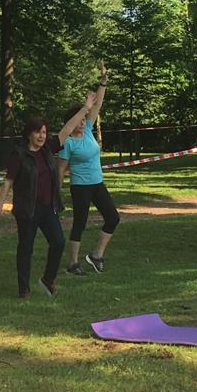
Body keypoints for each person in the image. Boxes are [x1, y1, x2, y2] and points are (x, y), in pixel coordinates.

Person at [0, 112, 74, 298]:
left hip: (47, 208)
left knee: (58, 242)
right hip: (27, 210)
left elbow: (68, 129)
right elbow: (8, 182)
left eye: (44, 132)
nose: (42, 136)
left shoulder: (47, 150)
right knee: (26, 248)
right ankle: (24, 288)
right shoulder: (19, 155)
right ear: (29, 134)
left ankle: (48, 279)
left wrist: (86, 107)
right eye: (38, 132)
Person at [57, 63, 120, 275]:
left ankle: (96, 255)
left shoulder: (89, 131)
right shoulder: (68, 143)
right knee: (80, 223)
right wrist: (57, 195)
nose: (83, 122)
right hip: (80, 187)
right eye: (80, 120)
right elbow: (60, 170)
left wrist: (103, 81)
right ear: (72, 122)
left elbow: (98, 105)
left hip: (97, 183)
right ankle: (72, 263)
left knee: (113, 218)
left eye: (85, 119)